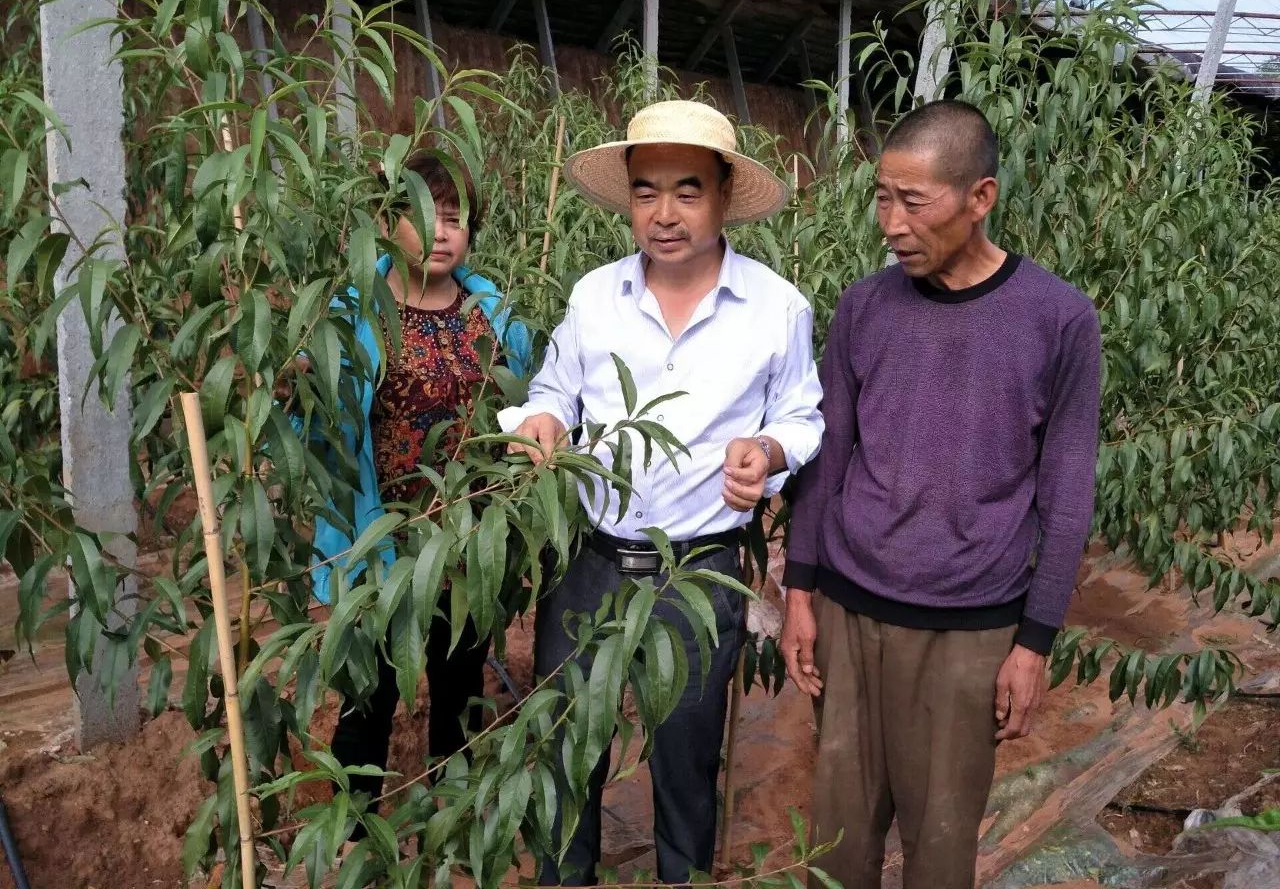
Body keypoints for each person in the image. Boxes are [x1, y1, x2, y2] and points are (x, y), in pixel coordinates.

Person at [498, 99, 825, 885]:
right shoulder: (594, 298)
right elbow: (555, 389)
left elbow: (802, 412)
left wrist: (770, 449)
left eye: (687, 190)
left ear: (722, 196)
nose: (665, 213)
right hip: (593, 561)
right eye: (647, 191)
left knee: (686, 750)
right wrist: (541, 421)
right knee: (568, 743)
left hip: (698, 571)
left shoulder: (777, 309)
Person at [782, 100, 1102, 889]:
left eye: (913, 202)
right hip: (851, 612)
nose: (890, 222)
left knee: (941, 846)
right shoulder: (864, 307)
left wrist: (1034, 642)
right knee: (838, 844)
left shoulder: (1058, 320)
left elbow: (1066, 492)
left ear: (980, 197)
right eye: (882, 197)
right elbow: (828, 456)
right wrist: (800, 589)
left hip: (970, 630)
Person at [305, 153, 531, 826]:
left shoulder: (491, 311)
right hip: (378, 542)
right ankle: (355, 830)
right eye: (424, 215)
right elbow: (316, 426)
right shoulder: (353, 314)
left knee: (459, 687)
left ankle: (450, 820)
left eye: (457, 220)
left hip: (466, 546)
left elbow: (526, 404)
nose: (441, 233)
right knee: (365, 695)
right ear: (387, 221)